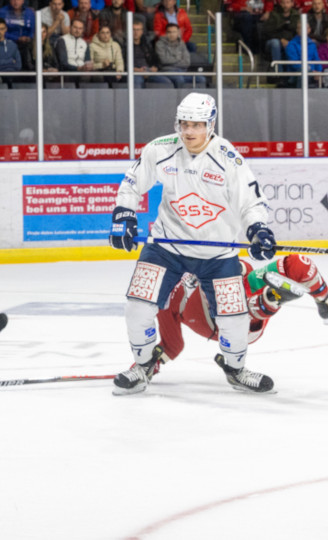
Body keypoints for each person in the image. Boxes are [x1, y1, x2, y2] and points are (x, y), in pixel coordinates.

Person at [109, 92, 276, 395]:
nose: (188, 132)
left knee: (235, 318)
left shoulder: (228, 158)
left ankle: (236, 369)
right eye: (184, 124)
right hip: (166, 247)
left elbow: (250, 201)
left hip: (217, 253)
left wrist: (258, 230)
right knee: (137, 306)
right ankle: (143, 365)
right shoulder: (159, 149)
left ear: (210, 124)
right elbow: (132, 183)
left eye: (197, 125)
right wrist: (124, 215)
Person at [149, 256, 328, 379]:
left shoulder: (197, 260)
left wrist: (233, 267)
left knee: (298, 264)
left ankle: (324, 301)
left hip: (241, 293)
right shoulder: (164, 302)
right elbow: (172, 346)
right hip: (230, 330)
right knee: (229, 298)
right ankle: (271, 297)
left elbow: (246, 269)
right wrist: (144, 367)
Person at [126, 19, 172, 87]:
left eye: (138, 30)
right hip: (134, 73)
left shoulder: (147, 45)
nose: (136, 32)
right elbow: (122, 63)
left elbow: (156, 59)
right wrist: (135, 70)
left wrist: (155, 67)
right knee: (137, 82)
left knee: (167, 82)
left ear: (142, 31)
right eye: (133, 29)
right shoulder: (125, 45)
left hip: (148, 72)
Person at [261, 0, 301, 71]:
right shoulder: (273, 14)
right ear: (280, 4)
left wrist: (289, 41)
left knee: (297, 43)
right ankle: (279, 72)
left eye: (287, 2)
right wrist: (281, 39)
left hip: (290, 40)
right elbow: (268, 32)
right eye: (283, 3)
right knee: (275, 43)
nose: (285, 5)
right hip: (273, 40)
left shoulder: (296, 15)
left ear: (292, 4)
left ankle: (295, 72)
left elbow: (297, 32)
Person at [0, 0, 36, 71]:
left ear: (23, 1)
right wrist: (17, 38)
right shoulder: (2, 12)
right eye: (13, 0)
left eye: (18, 0)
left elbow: (33, 30)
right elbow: (0, 31)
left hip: (27, 43)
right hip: (9, 41)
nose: (16, 2)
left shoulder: (29, 12)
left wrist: (29, 38)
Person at [156, 23, 197, 87]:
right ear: (166, 33)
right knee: (179, 79)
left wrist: (173, 61)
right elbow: (164, 60)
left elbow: (187, 62)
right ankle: (179, 97)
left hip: (183, 71)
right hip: (167, 71)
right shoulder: (160, 44)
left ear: (178, 33)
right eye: (169, 32)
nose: (172, 34)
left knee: (200, 79)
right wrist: (178, 58)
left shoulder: (182, 44)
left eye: (174, 32)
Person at [284, 17, 323, 86]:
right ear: (297, 30)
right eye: (300, 28)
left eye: (305, 28)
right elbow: (294, 64)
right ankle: (300, 96)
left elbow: (317, 60)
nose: (302, 30)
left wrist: (319, 71)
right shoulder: (291, 45)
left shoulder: (312, 44)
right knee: (304, 72)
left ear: (309, 30)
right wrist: (311, 70)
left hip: (312, 74)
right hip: (296, 74)